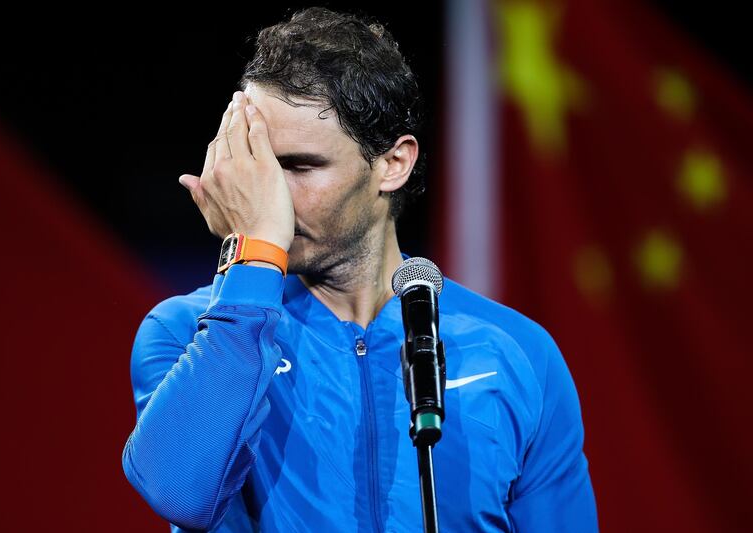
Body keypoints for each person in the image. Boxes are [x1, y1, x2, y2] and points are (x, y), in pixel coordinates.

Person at [121, 7, 598, 532]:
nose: (270, 198)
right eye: (258, 166)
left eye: (300, 167)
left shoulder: (517, 350)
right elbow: (180, 494)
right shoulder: (185, 332)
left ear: (393, 163)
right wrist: (253, 254)